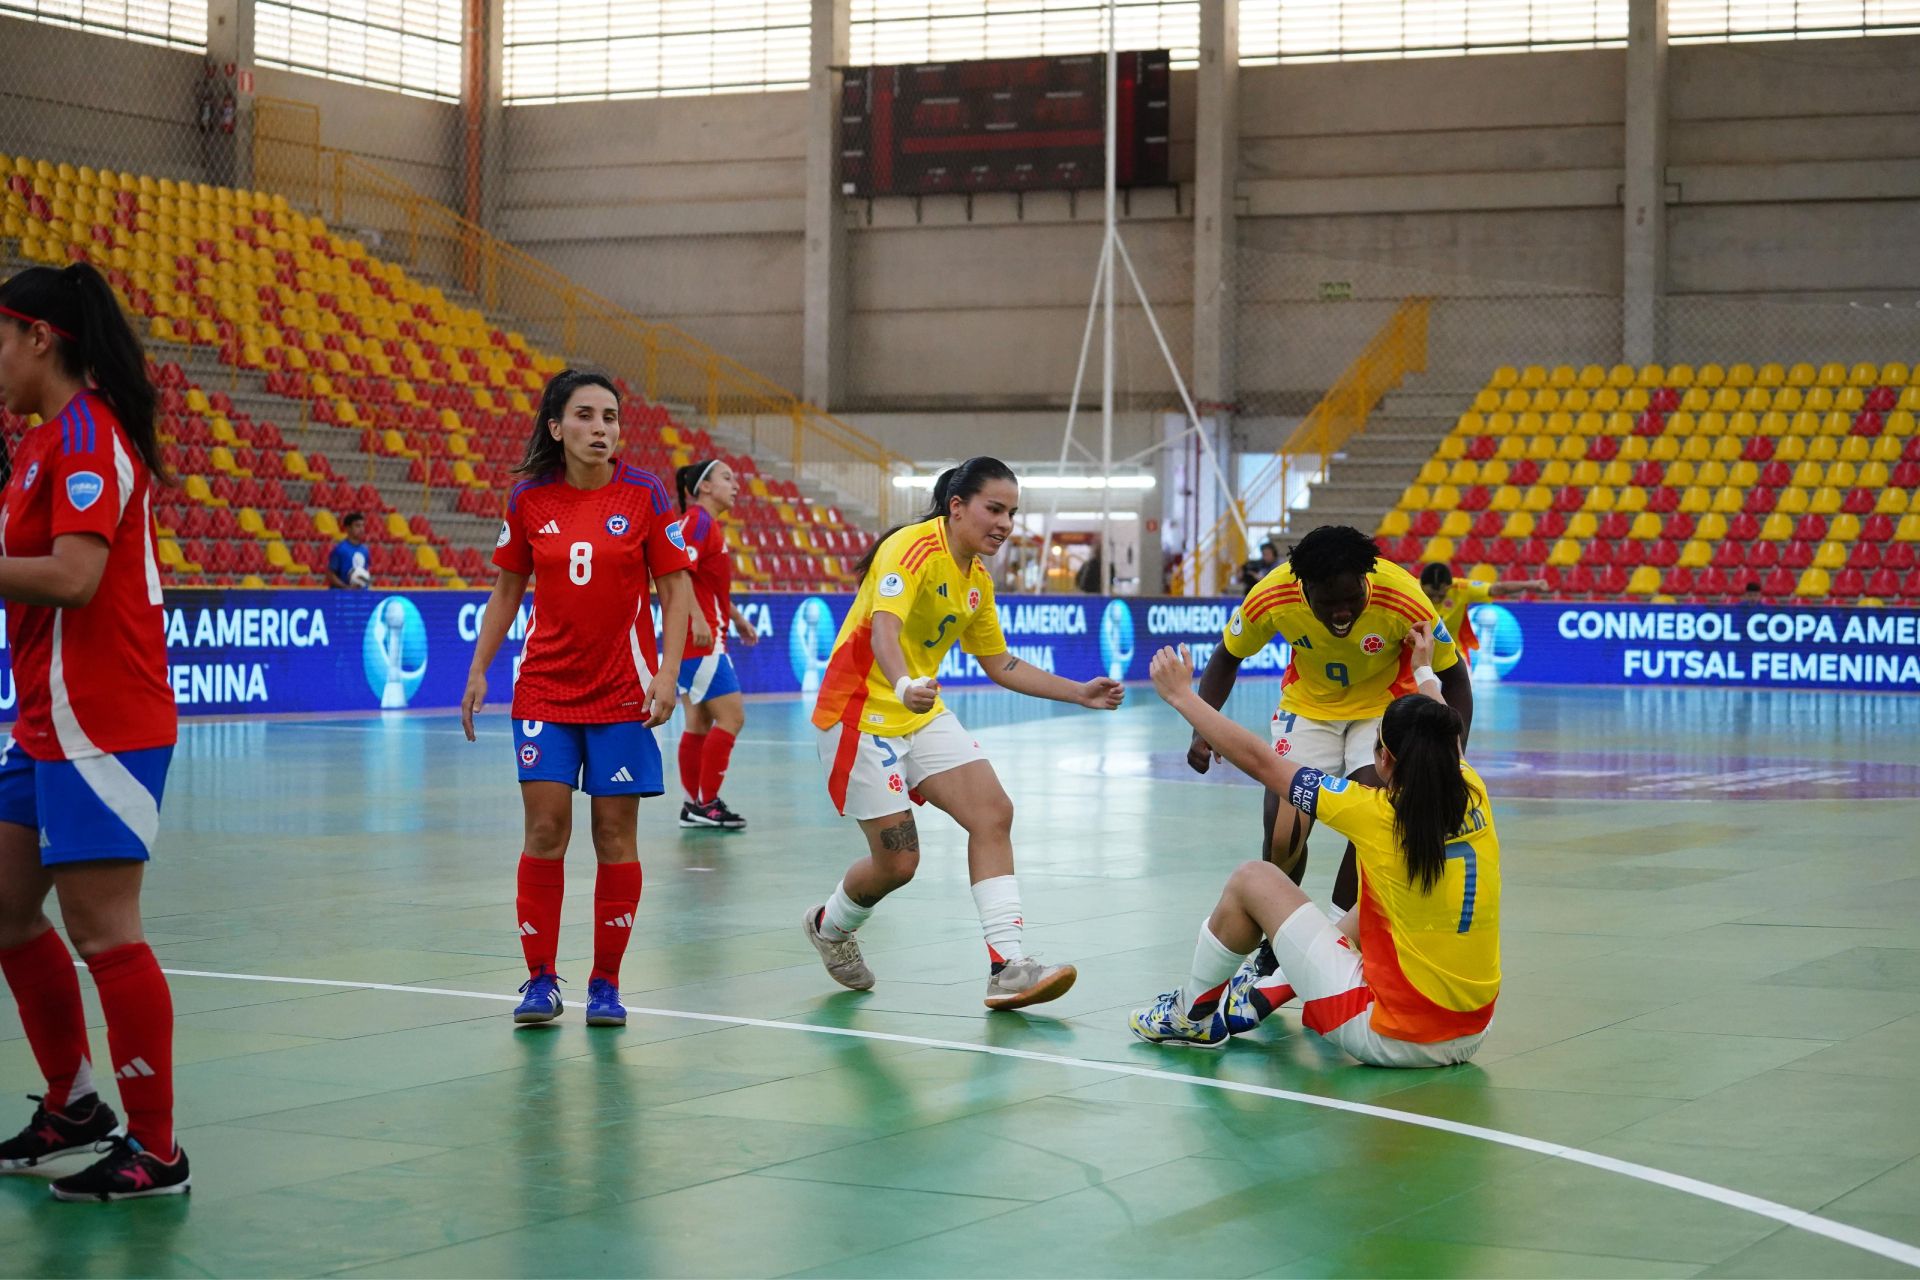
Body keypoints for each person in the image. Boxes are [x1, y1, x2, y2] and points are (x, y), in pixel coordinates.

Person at [802, 457, 1125, 1010]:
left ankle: (1007, 966)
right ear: (957, 506)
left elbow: (998, 663)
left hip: (920, 712)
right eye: (993, 509)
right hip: (860, 713)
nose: (1004, 523)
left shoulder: (976, 578)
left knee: (992, 812)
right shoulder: (911, 548)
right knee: (899, 865)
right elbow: (886, 629)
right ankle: (829, 925)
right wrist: (903, 683)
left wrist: (1078, 691)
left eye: (1012, 513)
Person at [0, 262, 188, 1199]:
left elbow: (73, 577)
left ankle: (157, 1149)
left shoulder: (84, 437)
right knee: (4, 904)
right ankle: (75, 1104)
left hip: (101, 719)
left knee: (104, 931)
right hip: (42, 722)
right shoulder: (38, 445)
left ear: (40, 338)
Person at [1131, 627, 1500, 1067]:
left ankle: (1193, 1014)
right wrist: (1422, 668)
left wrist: (1183, 698)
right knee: (1380, 902)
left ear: (1384, 759)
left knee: (1254, 878)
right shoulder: (1470, 787)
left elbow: (1261, 761)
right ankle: (1270, 989)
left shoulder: (1373, 811)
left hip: (1395, 1036)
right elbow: (1444, 731)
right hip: (1472, 1031)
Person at [461, 370, 695, 1029]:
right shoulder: (529, 497)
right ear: (557, 427)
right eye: (586, 416)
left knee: (614, 833)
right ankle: (539, 981)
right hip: (544, 689)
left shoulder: (645, 492)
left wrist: (668, 673)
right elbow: (507, 590)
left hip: (624, 693)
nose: (601, 428)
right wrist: (479, 669)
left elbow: (676, 591)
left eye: (611, 417)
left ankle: (606, 984)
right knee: (544, 829)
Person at [672, 458, 758, 831]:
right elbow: (677, 572)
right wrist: (697, 617)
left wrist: (736, 618)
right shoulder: (697, 521)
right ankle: (706, 804)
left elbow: (707, 585)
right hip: (701, 641)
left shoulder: (706, 525)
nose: (735, 486)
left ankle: (695, 804)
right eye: (727, 478)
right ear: (704, 487)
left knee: (699, 720)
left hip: (701, 637)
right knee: (732, 716)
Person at [1418, 563, 1546, 660]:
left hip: (1453, 653)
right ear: (1422, 586)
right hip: (1419, 651)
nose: (1435, 599)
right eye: (1430, 595)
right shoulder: (1412, 588)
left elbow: (1498, 588)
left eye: (1441, 596)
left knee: (1462, 690)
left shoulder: (1461, 588)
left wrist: (1530, 585)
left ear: (1449, 587)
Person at [325, 513, 370, 589]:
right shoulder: (340, 549)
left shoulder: (365, 550)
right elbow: (330, 574)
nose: (361, 529)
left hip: (359, 594)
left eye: (362, 525)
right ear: (348, 528)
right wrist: (346, 587)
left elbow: (364, 571)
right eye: (357, 526)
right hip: (341, 595)